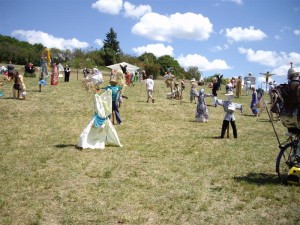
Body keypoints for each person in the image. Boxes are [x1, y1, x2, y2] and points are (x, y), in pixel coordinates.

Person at [77, 73, 122, 149]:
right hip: (101, 112)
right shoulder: (99, 94)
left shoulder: (106, 89)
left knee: (98, 128)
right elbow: (99, 103)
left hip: (103, 110)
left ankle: (96, 138)